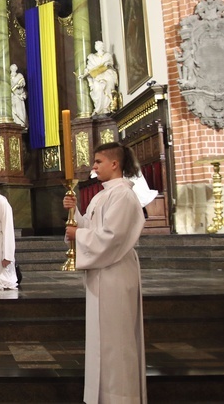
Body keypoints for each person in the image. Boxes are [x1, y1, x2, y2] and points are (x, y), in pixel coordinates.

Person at [62, 142, 147, 404]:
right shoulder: (101, 196)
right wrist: (73, 212)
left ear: (115, 164)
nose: (94, 166)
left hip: (116, 272)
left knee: (117, 340)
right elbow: (90, 226)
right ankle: (102, 396)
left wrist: (80, 234)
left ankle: (121, 397)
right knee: (103, 339)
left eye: (98, 162)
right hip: (103, 273)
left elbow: (112, 237)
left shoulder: (123, 195)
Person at [83, 41, 119, 116]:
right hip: (97, 77)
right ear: (95, 47)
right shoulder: (92, 57)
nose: (99, 47)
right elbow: (89, 70)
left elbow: (111, 65)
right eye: (97, 45)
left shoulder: (108, 55)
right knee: (97, 88)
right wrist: (83, 75)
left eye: (101, 45)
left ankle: (107, 107)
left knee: (108, 86)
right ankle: (99, 108)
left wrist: (108, 65)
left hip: (107, 74)